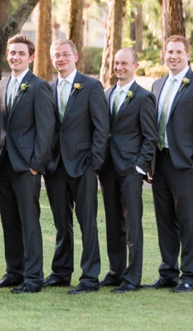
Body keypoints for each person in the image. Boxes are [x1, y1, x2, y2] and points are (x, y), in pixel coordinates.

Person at [145, 35, 193, 293]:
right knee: (164, 220)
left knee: (186, 221)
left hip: (184, 165)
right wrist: (149, 163)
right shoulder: (157, 84)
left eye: (178, 52)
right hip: (159, 163)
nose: (172, 56)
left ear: (188, 55)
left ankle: (189, 276)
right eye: (169, 52)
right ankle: (168, 273)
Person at [0, 34, 55, 294]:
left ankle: (33, 277)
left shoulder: (39, 87)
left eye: (20, 53)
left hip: (26, 166)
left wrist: (35, 165)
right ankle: (14, 272)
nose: (14, 56)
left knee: (29, 222)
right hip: (2, 164)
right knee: (9, 222)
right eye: (11, 52)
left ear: (30, 57)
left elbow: (46, 129)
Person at [45, 38, 109, 294]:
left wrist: (94, 163)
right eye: (56, 56)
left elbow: (101, 128)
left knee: (87, 223)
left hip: (83, 166)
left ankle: (90, 277)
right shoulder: (47, 88)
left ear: (75, 56)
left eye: (64, 55)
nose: (60, 59)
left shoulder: (92, 86)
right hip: (55, 167)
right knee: (62, 224)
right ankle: (61, 273)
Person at [100, 48, 157, 293]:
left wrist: (139, 167)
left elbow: (150, 137)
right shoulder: (105, 94)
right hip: (107, 168)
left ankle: (133, 278)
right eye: (116, 63)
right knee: (113, 223)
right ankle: (116, 272)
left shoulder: (144, 97)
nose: (119, 67)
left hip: (130, 169)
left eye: (124, 63)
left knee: (132, 224)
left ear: (135, 66)